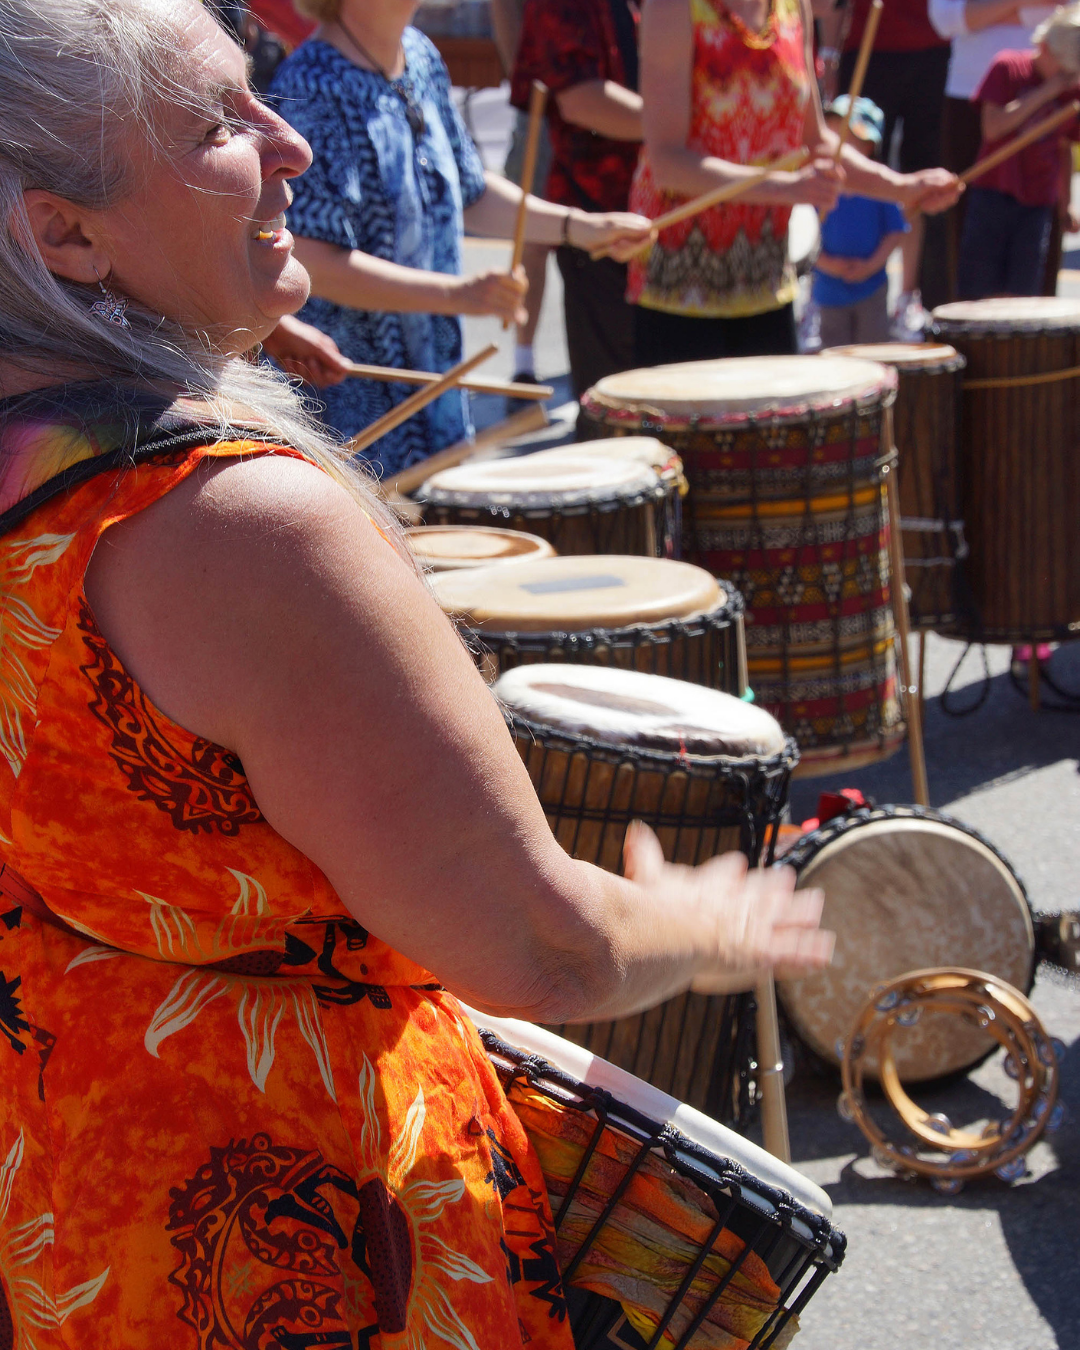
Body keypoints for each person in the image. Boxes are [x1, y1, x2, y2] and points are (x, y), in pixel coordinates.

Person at [0, 1, 832, 1344]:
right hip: (315, 1233)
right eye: (219, 122)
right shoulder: (238, 531)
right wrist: (706, 923)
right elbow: (543, 946)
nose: (290, 145)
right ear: (63, 232)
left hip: (75, 1195)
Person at [268, 0, 652, 477]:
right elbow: (312, 261)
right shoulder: (310, 86)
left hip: (436, 387)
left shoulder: (420, 56)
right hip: (354, 401)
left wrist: (579, 226)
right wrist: (460, 295)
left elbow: (469, 190)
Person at [628, 0, 961, 368]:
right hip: (680, 284)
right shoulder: (673, 8)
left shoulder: (791, 7)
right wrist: (784, 188)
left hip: (768, 280)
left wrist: (904, 187)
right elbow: (667, 164)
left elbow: (815, 145)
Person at [511, 0, 645, 423]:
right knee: (615, 402)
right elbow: (580, 99)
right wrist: (687, 131)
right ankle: (522, 361)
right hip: (595, 206)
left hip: (662, 214)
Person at [835, 0, 953, 331]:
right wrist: (830, 55)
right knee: (851, 173)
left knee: (925, 183)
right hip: (869, 49)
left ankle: (910, 298)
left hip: (935, 51)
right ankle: (841, 294)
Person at [928, 0, 1054, 299]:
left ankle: (1036, 342)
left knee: (1038, 238)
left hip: (1048, 89)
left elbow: (1068, 13)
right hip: (967, 96)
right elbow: (946, 20)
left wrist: (985, 12)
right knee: (969, 233)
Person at [957, 2, 1080, 299]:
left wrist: (1065, 206)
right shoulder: (1009, 67)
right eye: (1064, 68)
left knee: (1023, 294)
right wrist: (1047, 91)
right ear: (1047, 47)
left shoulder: (1071, 90)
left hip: (1037, 201)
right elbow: (993, 127)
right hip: (993, 193)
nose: (1066, 76)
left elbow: (1064, 148)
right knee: (979, 291)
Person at [813, 97, 910, 346]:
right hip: (830, 290)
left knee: (873, 351)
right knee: (835, 356)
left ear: (868, 147)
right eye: (831, 135)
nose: (835, 146)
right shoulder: (816, 183)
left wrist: (871, 266)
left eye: (844, 138)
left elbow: (895, 233)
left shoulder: (879, 187)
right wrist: (827, 263)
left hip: (872, 288)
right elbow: (805, 237)